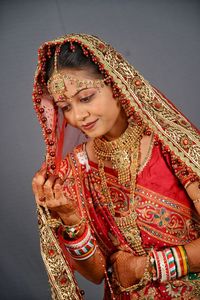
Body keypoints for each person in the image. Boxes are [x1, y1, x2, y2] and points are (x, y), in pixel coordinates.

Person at [32, 33, 200, 300]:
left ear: (116, 85)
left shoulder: (172, 146)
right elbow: (97, 273)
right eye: (65, 107)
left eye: (86, 97)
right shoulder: (73, 169)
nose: (78, 116)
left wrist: (146, 266)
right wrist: (71, 220)